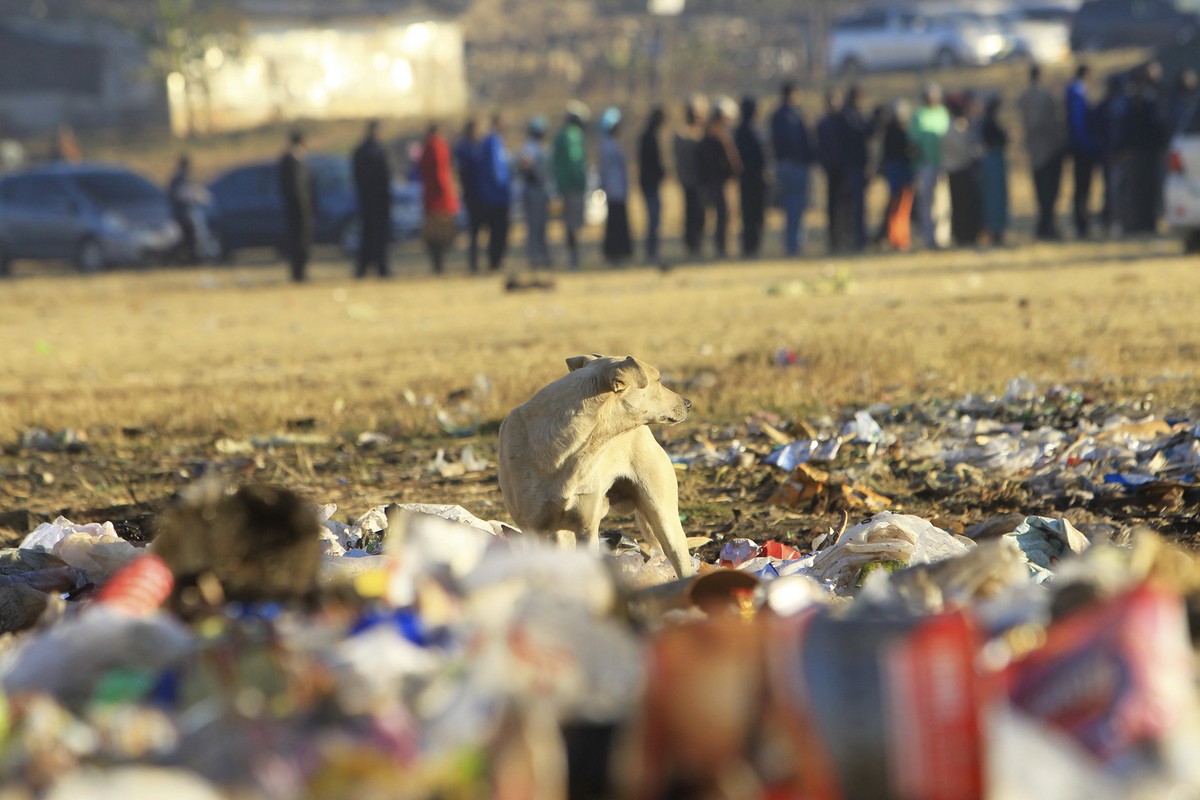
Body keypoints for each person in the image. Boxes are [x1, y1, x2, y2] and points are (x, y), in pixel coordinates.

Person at [1018, 64, 1065, 241]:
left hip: (1033, 150)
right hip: (1049, 149)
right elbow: (1055, 121)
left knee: (1039, 190)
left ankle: (1044, 225)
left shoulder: (1023, 97)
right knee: (1050, 190)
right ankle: (1047, 224)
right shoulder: (1048, 96)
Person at [770, 81, 814, 256]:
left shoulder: (776, 116)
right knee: (796, 205)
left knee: (790, 206)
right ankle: (794, 245)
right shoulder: (793, 117)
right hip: (795, 165)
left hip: (784, 165)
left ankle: (793, 243)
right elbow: (798, 141)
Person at [696, 98, 741, 259]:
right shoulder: (720, 136)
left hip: (710, 181)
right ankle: (724, 247)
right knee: (726, 215)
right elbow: (732, 161)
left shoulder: (705, 135)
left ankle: (720, 246)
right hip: (723, 182)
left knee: (719, 215)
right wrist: (735, 174)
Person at [909, 83, 950, 250]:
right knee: (926, 203)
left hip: (944, 163)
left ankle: (943, 237)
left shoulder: (943, 113)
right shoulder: (919, 116)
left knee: (943, 202)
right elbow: (913, 141)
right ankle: (928, 238)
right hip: (925, 164)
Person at [351, 120, 392, 278]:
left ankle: (373, 267)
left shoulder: (370, 150)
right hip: (372, 200)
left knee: (374, 235)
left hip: (373, 200)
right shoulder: (369, 151)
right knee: (373, 235)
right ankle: (373, 267)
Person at [418, 122, 460, 275]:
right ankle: (439, 265)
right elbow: (440, 173)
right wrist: (448, 191)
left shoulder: (425, 148)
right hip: (440, 200)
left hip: (430, 198)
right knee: (440, 235)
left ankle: (437, 265)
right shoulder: (437, 147)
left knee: (434, 235)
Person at [943, 93, 983, 247]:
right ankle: (965, 234)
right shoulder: (961, 126)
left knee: (959, 206)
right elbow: (968, 149)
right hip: (962, 170)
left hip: (955, 171)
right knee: (964, 206)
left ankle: (963, 234)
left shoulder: (948, 127)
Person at [552, 102, 589, 270]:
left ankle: (572, 257)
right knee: (574, 224)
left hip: (563, 185)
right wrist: (581, 182)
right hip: (574, 186)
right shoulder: (574, 135)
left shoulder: (559, 136)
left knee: (568, 223)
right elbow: (575, 162)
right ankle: (574, 258)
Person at [673, 95, 709, 258]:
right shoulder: (682, 134)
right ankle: (691, 246)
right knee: (691, 215)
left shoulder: (703, 132)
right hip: (689, 181)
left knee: (701, 215)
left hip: (702, 181)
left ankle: (698, 244)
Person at [876, 101, 914, 251]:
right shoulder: (896, 132)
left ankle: (901, 237)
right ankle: (898, 238)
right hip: (900, 174)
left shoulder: (893, 131)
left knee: (901, 207)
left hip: (899, 173)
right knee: (898, 207)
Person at [1066, 64, 1099, 239]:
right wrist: (1087, 145)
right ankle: (1081, 222)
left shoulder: (1074, 92)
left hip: (1078, 146)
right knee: (1082, 186)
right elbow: (1079, 123)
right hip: (1082, 148)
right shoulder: (1078, 93)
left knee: (1081, 186)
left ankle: (1081, 220)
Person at [477, 113, 512, 272]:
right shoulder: (493, 142)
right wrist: (503, 187)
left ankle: (495, 261)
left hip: (491, 196)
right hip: (496, 197)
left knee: (496, 232)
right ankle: (495, 262)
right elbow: (497, 171)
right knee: (498, 232)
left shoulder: (490, 142)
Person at [278, 130, 314, 283]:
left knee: (304, 240)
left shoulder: (301, 160)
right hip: (295, 210)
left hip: (305, 209)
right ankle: (296, 272)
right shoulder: (288, 161)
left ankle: (302, 270)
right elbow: (291, 187)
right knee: (296, 240)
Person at [839, 85, 871, 252]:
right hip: (851, 166)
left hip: (858, 165)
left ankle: (859, 238)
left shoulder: (856, 115)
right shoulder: (847, 116)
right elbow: (860, 133)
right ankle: (855, 239)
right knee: (854, 205)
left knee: (859, 205)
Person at [599, 107, 633, 265]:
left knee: (619, 221)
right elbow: (605, 170)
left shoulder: (612, 144)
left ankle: (621, 252)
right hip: (614, 190)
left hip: (618, 189)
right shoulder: (607, 146)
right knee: (615, 223)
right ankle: (614, 253)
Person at [734, 96, 767, 258]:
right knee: (753, 214)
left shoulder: (741, 131)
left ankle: (751, 245)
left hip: (747, 178)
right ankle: (751, 245)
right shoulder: (750, 131)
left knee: (750, 214)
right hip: (752, 178)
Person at [518, 115, 552, 270]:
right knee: (533, 226)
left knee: (542, 226)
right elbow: (525, 167)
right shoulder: (529, 148)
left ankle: (543, 255)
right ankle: (534, 257)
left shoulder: (542, 148)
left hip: (542, 190)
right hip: (533, 191)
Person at [816, 89, 846, 253]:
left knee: (844, 205)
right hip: (831, 169)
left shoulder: (844, 121)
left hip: (843, 169)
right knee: (833, 205)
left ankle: (844, 238)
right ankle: (834, 240)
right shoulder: (825, 123)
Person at [453, 119, 484, 272]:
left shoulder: (475, 147)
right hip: (472, 195)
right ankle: (473, 263)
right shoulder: (464, 149)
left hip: (480, 194)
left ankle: (478, 262)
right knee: (473, 230)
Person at [638, 106, 667, 266]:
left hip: (649, 184)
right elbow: (653, 163)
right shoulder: (650, 137)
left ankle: (652, 250)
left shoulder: (647, 136)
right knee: (654, 218)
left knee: (654, 218)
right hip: (650, 184)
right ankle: (651, 251)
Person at [980, 95, 1010, 246]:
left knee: (997, 198)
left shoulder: (988, 121)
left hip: (994, 161)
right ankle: (994, 230)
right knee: (994, 198)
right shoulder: (988, 123)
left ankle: (997, 229)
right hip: (993, 162)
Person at [168, 155, 200, 264]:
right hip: (182, 215)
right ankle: (189, 260)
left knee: (185, 239)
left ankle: (182, 259)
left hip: (181, 214)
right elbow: (181, 196)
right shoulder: (180, 179)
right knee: (188, 238)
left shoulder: (180, 178)